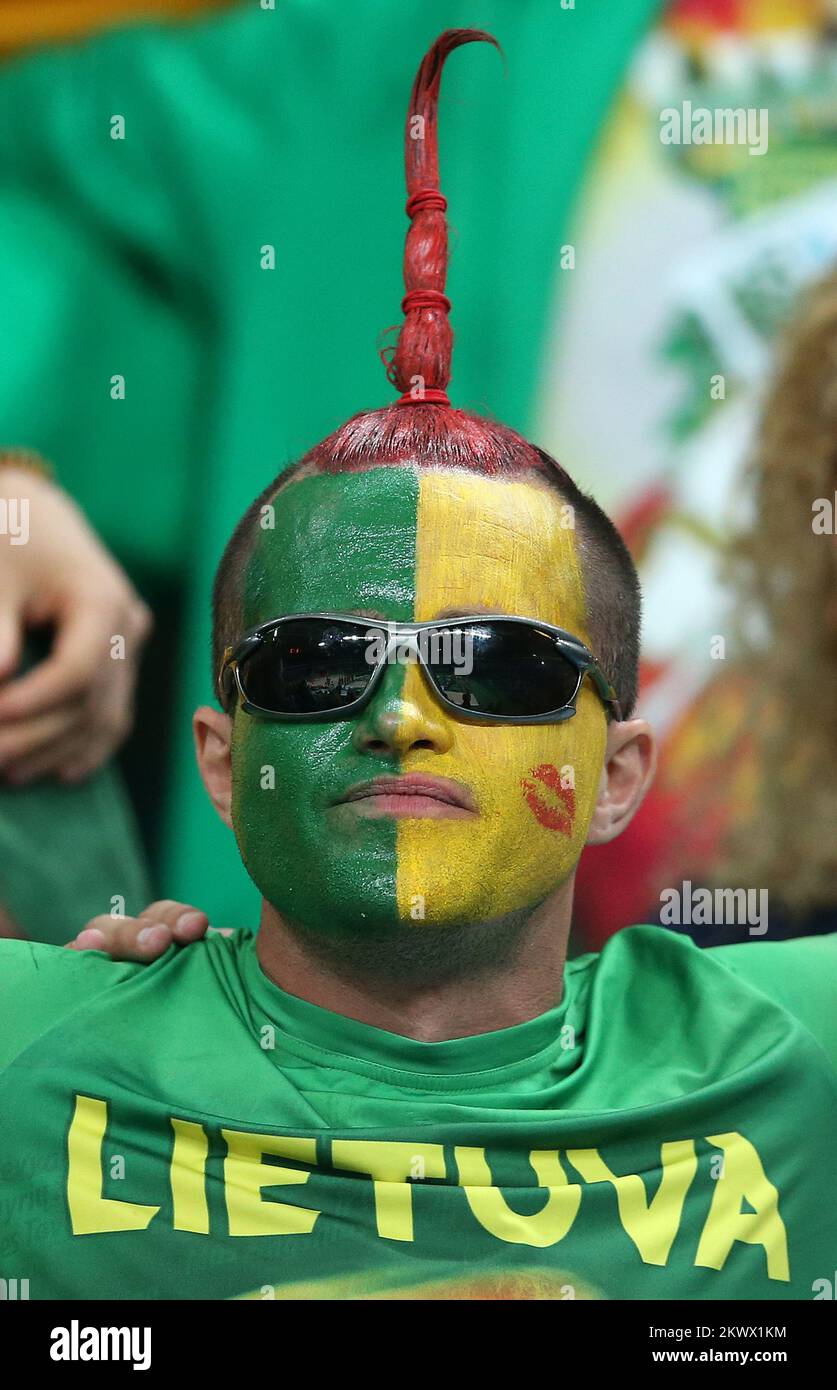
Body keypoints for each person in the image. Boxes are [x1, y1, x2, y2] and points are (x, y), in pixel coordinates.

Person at [1, 30, 834, 1302]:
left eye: (497, 668)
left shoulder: (792, 1055)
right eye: (317, 664)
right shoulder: (42, 1041)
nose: (398, 714)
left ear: (617, 775)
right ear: (221, 761)